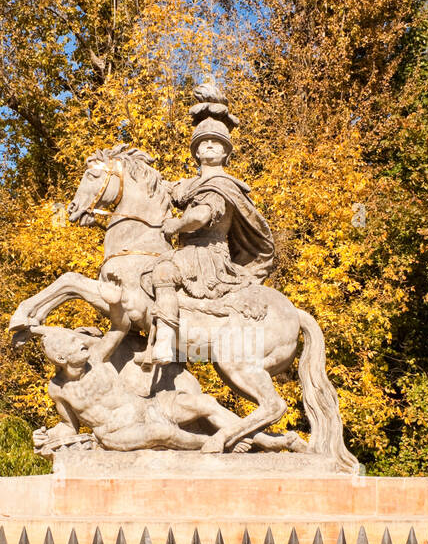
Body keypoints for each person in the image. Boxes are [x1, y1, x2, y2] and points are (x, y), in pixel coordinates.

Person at [139, 80, 274, 367]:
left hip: (207, 256)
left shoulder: (223, 184)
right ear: (196, 151)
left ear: (226, 152)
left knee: (162, 271)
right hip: (188, 252)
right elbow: (164, 190)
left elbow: (200, 217)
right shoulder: (188, 184)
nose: (209, 146)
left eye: (216, 143)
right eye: (204, 143)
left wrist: (175, 226)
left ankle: (164, 341)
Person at [31, 325, 303, 454]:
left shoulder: (98, 359)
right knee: (162, 433)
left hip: (149, 407)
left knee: (204, 402)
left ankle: (263, 439)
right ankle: (224, 444)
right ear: (61, 358)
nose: (81, 343)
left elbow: (120, 325)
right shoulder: (58, 390)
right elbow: (69, 426)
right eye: (72, 342)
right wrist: (47, 435)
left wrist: (115, 299)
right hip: (118, 432)